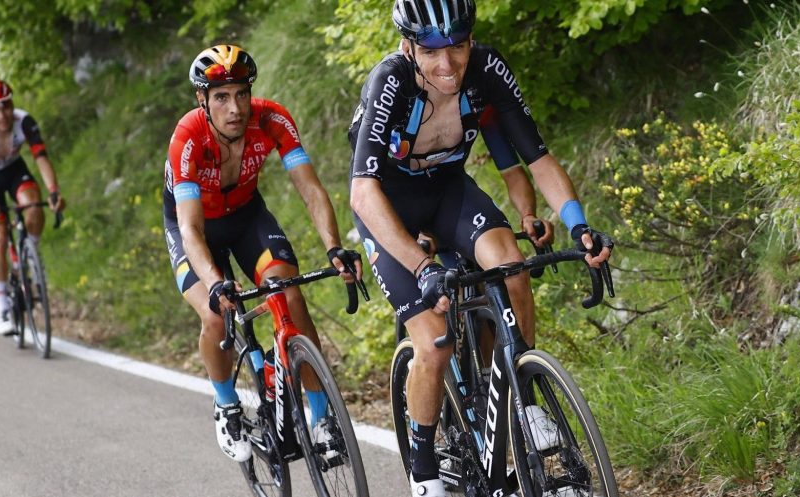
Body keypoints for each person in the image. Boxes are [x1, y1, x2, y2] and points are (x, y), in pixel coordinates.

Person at [347, 1, 613, 495]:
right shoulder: (391, 79)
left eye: (459, 46)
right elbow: (362, 193)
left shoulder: (487, 68)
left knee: (511, 267)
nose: (448, 65)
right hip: (389, 204)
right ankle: (424, 468)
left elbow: (537, 158)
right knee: (435, 342)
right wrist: (422, 265)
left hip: (448, 189)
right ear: (409, 46)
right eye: (431, 52)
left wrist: (579, 227)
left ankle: (519, 395)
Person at [162, 44, 361, 462]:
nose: (234, 108)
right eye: (221, 97)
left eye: (240, 94)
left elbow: (310, 189)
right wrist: (215, 283)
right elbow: (191, 228)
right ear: (202, 100)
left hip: (247, 216)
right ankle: (226, 404)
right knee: (216, 316)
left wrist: (334, 247)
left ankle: (321, 419)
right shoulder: (187, 137)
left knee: (289, 295)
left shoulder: (271, 118)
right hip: (194, 227)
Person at [0, 80, 66, 335]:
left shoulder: (24, 122)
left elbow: (41, 158)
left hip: (13, 171)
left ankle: (28, 254)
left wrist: (53, 191)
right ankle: (2, 307)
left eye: (6, 106)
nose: (2, 114)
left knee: (33, 206)